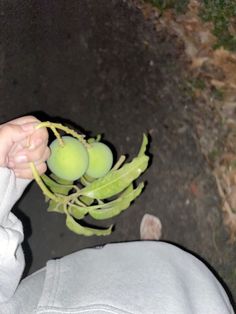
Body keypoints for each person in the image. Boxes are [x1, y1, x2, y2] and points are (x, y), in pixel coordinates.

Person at [0, 115, 234, 314]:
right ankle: (151, 255)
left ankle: (147, 256)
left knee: (118, 272)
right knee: (170, 279)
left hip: (71, 291)